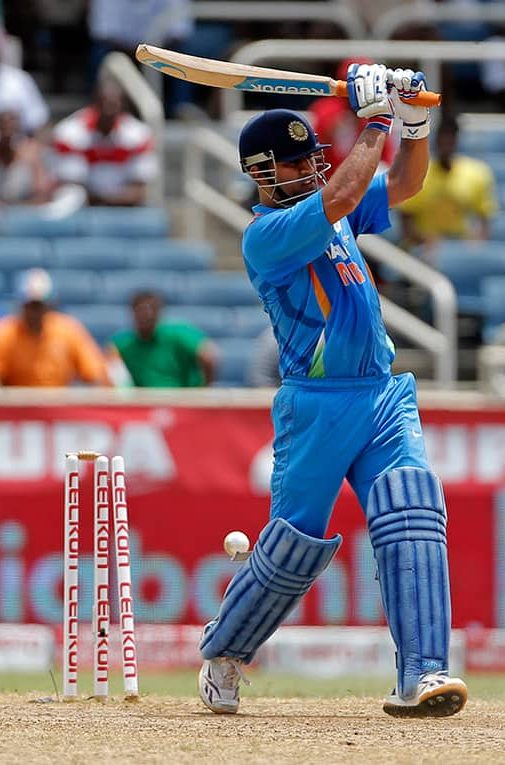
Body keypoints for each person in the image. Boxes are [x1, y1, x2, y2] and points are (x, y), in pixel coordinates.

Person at [197, 65, 468, 719]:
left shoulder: (331, 199)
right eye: (301, 163)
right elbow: (344, 195)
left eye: (317, 158)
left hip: (380, 393)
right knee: (295, 545)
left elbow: (405, 181)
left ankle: (423, 672)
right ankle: (224, 653)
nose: (316, 168)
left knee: (412, 510)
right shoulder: (268, 236)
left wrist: (411, 120)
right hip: (316, 404)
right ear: (266, 174)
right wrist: (374, 121)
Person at [0, 268, 110, 386]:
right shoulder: (2, 334)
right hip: (16, 409)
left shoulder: (69, 330)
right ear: (21, 305)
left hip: (59, 408)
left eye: (40, 305)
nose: (35, 312)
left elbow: (94, 374)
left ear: (49, 305)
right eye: (31, 305)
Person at [398, 113, 498, 258]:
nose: (446, 142)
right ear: (435, 139)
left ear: (457, 140)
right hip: (423, 247)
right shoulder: (418, 172)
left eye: (450, 137)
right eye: (442, 137)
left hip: (461, 245)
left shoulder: (477, 172)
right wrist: (423, 241)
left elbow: (485, 218)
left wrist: (476, 243)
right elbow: (405, 218)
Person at [52, 76, 159, 207]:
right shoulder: (70, 133)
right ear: (95, 104)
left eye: (113, 105)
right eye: (104, 105)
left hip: (125, 208)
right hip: (82, 207)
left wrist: (110, 200)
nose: (108, 111)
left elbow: (140, 189)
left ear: (123, 106)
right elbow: (71, 184)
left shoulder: (139, 135)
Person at [107, 290, 217, 387]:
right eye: (140, 310)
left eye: (150, 309)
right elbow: (108, 368)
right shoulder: (122, 344)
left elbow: (207, 355)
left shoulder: (179, 334)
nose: (145, 315)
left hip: (181, 402)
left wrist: (203, 388)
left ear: (159, 312)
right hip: (143, 404)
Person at [308, 58, 397, 175]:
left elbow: (385, 160)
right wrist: (333, 129)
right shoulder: (326, 109)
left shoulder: (379, 111)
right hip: (325, 181)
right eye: (352, 85)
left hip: (363, 183)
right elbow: (313, 156)